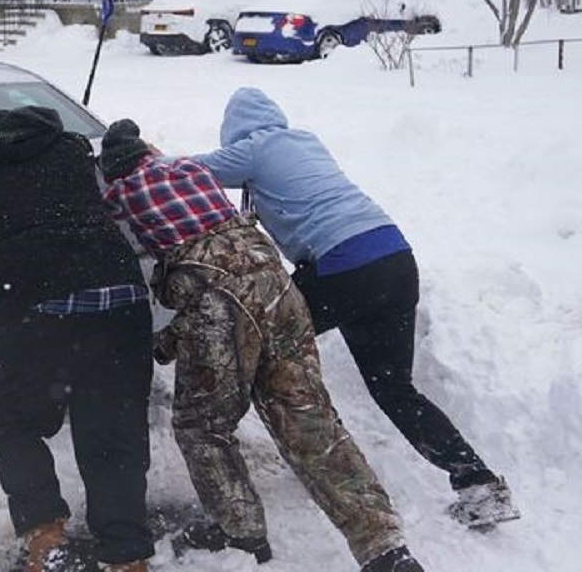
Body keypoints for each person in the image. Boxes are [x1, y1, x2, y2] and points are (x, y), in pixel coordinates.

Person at [100, 119, 422, 572]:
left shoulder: (120, 193)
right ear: (149, 151)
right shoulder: (193, 172)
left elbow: (213, 298)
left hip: (219, 307)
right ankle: (385, 547)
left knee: (203, 426)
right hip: (279, 292)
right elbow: (234, 283)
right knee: (311, 420)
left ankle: (241, 534)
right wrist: (171, 339)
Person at [191, 87, 519, 529]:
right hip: (394, 258)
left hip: (343, 263)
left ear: (235, 131)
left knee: (265, 342)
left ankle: (323, 454)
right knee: (394, 388)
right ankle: (477, 481)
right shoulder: (305, 140)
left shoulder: (256, 147)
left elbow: (191, 172)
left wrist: (141, 156)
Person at [0, 106, 155, 572]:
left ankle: (46, 532)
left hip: (40, 305)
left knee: (11, 422)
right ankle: (127, 555)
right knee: (113, 430)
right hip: (121, 299)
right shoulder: (71, 148)